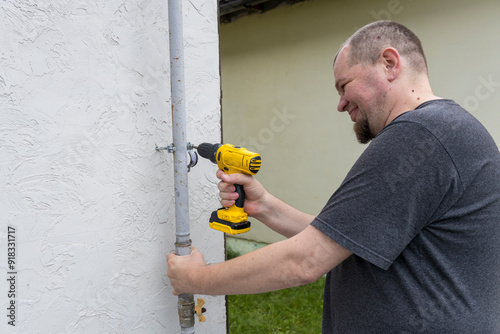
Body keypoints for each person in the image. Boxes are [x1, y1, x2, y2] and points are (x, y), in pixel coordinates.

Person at [167, 20, 500, 333]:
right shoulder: (442, 131)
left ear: (389, 63)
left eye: (344, 85)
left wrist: (194, 279)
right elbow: (346, 240)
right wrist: (264, 206)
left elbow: (305, 261)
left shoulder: (420, 136)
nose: (340, 104)